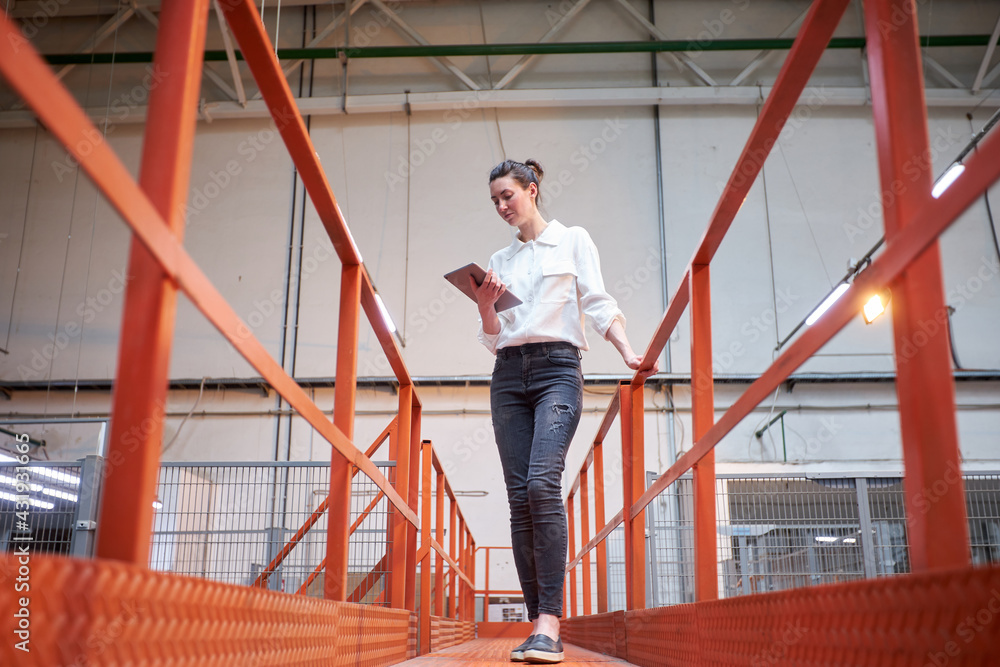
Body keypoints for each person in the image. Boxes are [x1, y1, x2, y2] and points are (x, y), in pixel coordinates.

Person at [471, 159, 658, 664]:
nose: (501, 206)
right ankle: (539, 624)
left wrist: (628, 352)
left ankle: (551, 622)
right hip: (508, 374)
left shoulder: (573, 239)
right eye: (494, 200)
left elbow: (597, 302)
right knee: (518, 499)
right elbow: (492, 338)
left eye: (507, 195)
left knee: (540, 483)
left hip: (558, 370)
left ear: (532, 190)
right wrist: (485, 303)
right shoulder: (499, 259)